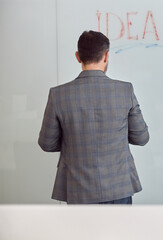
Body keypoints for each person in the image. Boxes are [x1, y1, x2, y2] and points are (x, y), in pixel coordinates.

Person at [38, 30, 149, 204]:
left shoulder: (58, 95)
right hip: (118, 188)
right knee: (118, 232)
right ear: (106, 56)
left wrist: (73, 140)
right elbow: (141, 138)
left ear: (78, 56)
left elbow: (46, 143)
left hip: (77, 189)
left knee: (81, 233)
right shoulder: (124, 91)